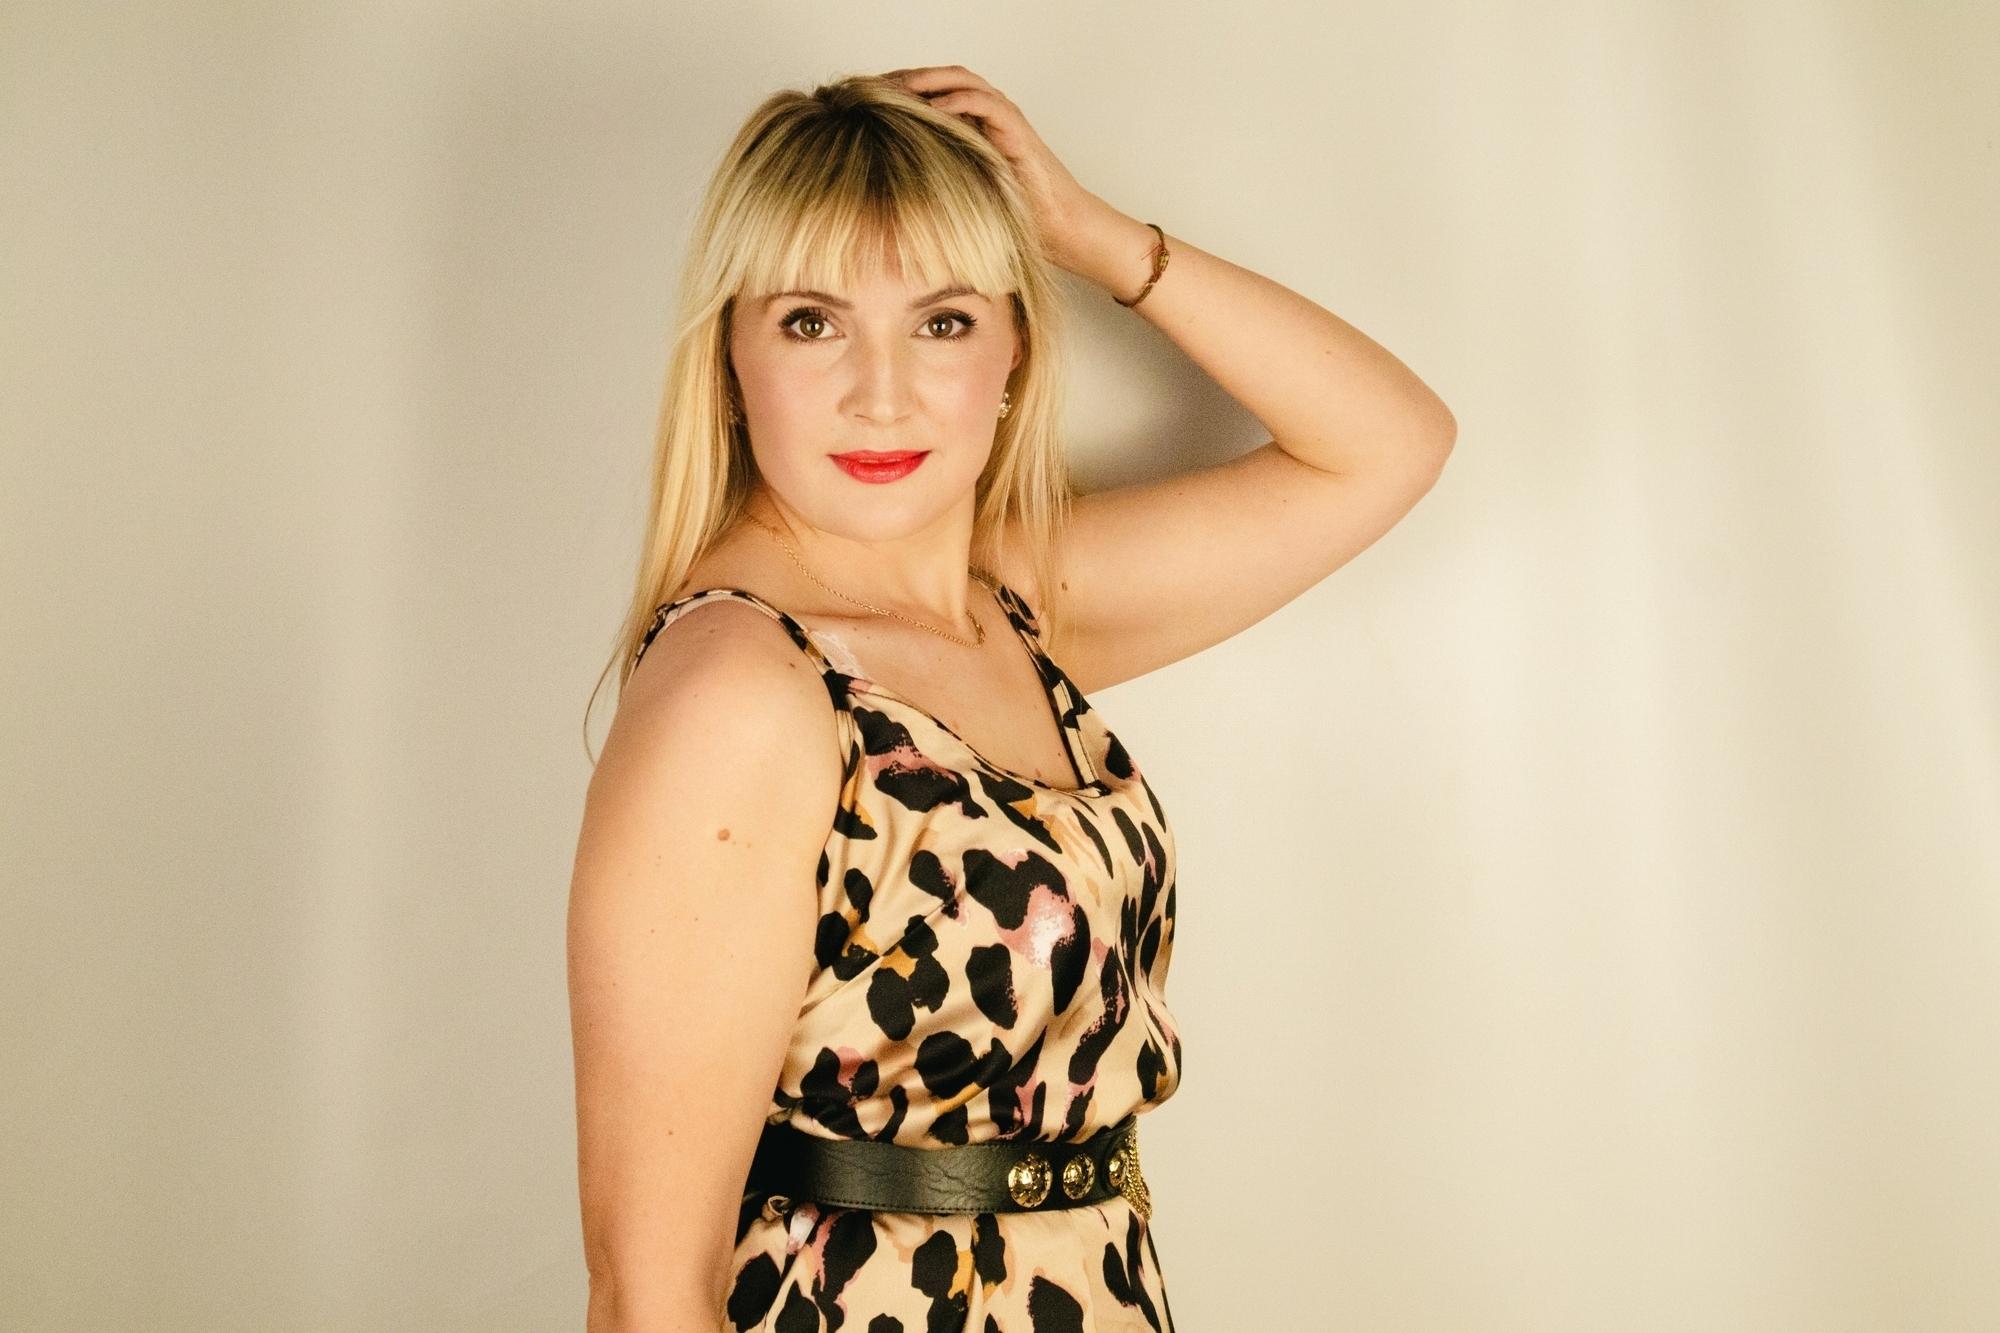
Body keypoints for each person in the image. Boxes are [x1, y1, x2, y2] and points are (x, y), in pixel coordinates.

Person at [567, 66, 1455, 1331]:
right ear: (729, 358)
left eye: (941, 321)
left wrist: (1091, 235)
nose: (880, 392)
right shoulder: (742, 691)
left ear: (1012, 349)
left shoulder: (1005, 609)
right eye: (811, 322)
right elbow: (646, 1289)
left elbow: (1386, 443)